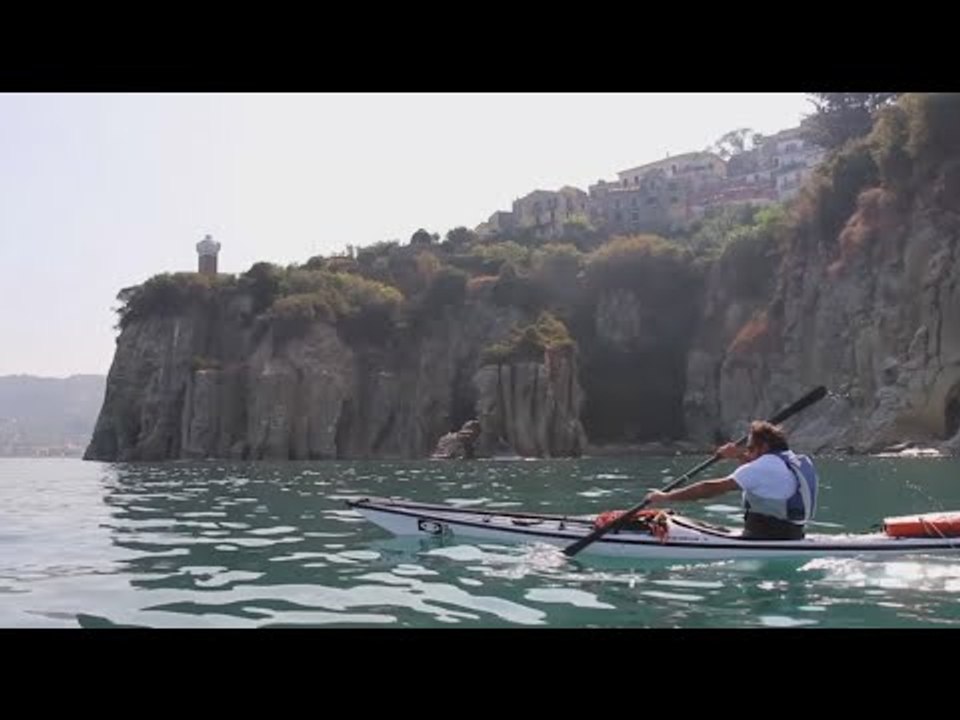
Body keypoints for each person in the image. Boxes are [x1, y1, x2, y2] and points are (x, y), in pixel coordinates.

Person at [643, 421, 819, 540]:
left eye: (750, 448)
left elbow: (710, 489)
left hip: (764, 536)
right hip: (793, 534)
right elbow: (763, 474)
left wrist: (666, 497)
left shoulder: (762, 467)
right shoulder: (791, 460)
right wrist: (738, 455)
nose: (748, 453)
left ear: (764, 447)